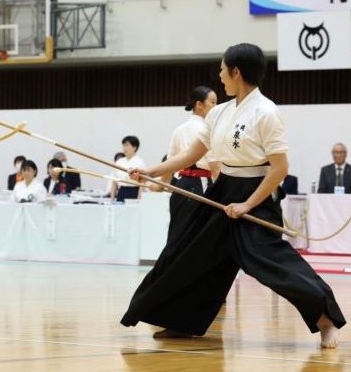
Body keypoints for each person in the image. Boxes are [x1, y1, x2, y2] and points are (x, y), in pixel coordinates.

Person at [121, 43, 345, 348]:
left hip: (255, 194)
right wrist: (152, 171)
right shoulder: (220, 112)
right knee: (185, 251)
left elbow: (279, 168)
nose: (220, 75)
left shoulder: (266, 112)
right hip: (223, 188)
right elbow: (191, 154)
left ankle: (325, 320)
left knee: (269, 262)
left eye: (223, 69)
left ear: (236, 72)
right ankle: (180, 321)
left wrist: (247, 204)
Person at [152, 86, 220, 245]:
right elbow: (215, 166)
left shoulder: (179, 130)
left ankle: (170, 268)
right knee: (199, 240)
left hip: (181, 188)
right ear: (199, 105)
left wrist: (161, 185)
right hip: (201, 186)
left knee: (177, 235)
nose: (216, 107)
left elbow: (169, 164)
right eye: (213, 102)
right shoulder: (207, 129)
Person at [110, 136, 145, 202]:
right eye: (123, 145)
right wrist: (112, 199)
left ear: (134, 147)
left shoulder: (140, 162)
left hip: (134, 192)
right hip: (121, 191)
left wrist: (139, 199)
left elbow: (142, 184)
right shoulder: (119, 162)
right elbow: (114, 182)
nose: (124, 148)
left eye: (127, 145)